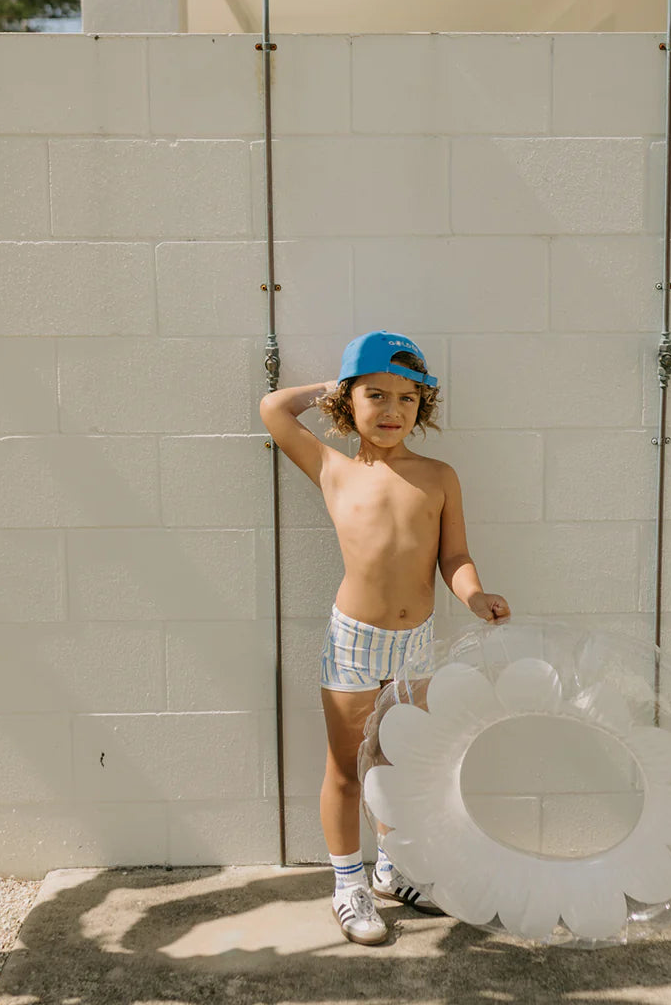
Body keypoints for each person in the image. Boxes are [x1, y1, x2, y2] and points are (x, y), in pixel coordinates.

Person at [259, 329, 510, 945]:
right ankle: (348, 882)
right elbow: (273, 410)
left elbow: (455, 556)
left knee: (396, 763)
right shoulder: (333, 468)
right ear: (351, 403)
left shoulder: (439, 476)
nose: (393, 409)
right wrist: (333, 386)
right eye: (376, 395)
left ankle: (391, 870)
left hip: (416, 641)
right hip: (355, 639)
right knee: (348, 766)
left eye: (408, 397)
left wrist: (474, 595)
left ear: (422, 405)